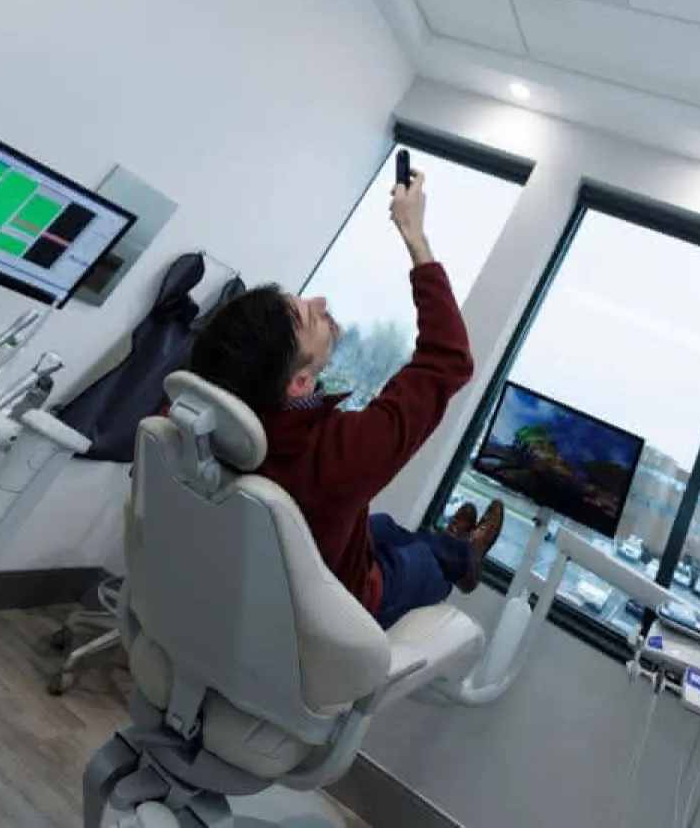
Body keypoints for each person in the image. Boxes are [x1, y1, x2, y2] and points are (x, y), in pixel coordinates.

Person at [186, 166, 504, 629]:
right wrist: (415, 237)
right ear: (298, 382)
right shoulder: (337, 457)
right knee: (424, 561)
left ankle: (444, 539)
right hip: (343, 597)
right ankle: (462, 554)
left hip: (285, 560)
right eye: (308, 318)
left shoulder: (205, 424)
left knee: (387, 529)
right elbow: (447, 360)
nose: (319, 302)